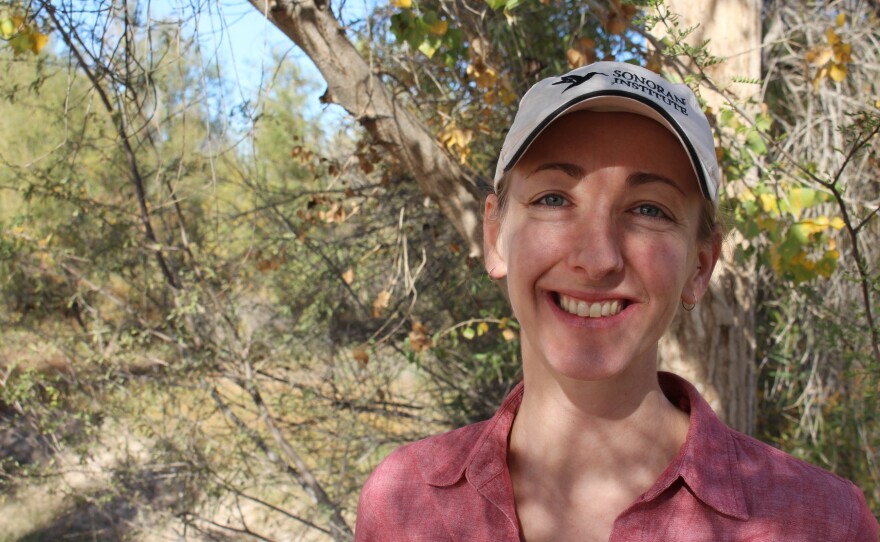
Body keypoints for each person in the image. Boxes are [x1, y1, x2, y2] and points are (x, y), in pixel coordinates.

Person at [354, 61, 879, 541]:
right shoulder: (405, 500)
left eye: (649, 209)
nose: (597, 257)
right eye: (554, 199)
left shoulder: (823, 522)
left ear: (700, 266)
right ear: (496, 236)